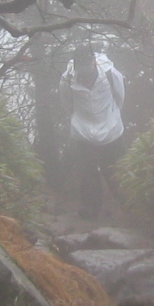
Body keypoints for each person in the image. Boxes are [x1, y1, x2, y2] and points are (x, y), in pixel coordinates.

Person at [60, 46, 126, 223]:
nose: (85, 77)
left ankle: (126, 206)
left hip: (111, 130)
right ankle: (90, 210)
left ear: (94, 63)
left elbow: (120, 97)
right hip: (82, 132)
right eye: (81, 73)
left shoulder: (111, 74)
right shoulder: (67, 79)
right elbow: (67, 104)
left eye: (88, 72)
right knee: (87, 172)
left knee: (115, 169)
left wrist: (111, 116)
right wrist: (79, 121)